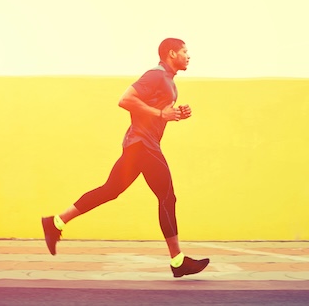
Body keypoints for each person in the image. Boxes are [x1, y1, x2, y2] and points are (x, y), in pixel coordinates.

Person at [41, 38, 210, 278]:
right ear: (171, 53)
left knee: (110, 190)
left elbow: (158, 114)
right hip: (143, 145)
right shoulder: (155, 75)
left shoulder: (170, 83)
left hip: (138, 145)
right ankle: (177, 261)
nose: (188, 55)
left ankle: (56, 222)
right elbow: (125, 100)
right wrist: (160, 112)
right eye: (185, 51)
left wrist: (175, 113)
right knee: (167, 197)